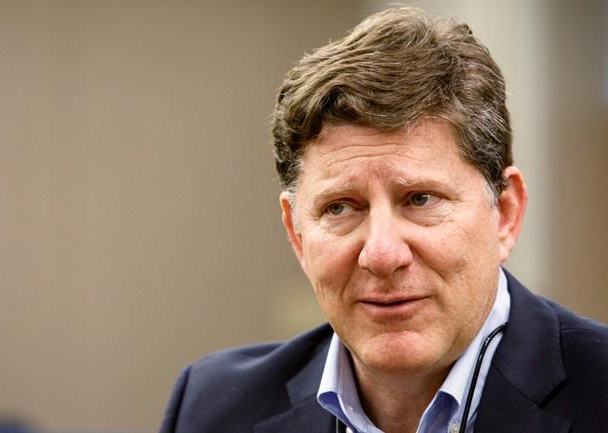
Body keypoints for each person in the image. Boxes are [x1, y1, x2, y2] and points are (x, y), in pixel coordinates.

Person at [158, 7, 608, 433]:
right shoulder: (212, 409)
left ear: (505, 214)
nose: (382, 254)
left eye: (420, 199)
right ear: (297, 233)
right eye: (340, 207)